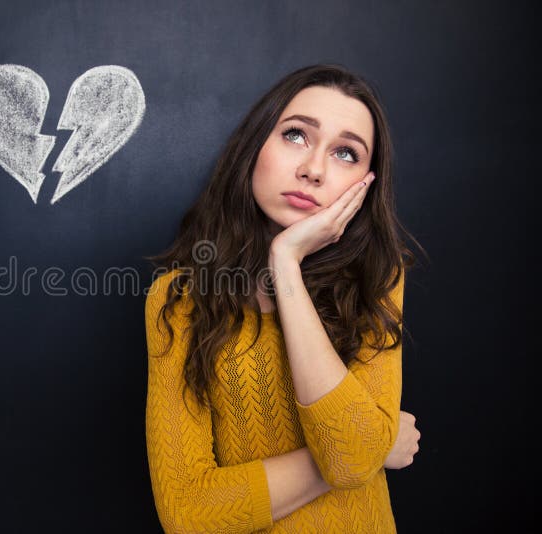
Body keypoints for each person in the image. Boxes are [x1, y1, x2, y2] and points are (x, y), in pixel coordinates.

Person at [143, 64, 425, 533]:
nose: (313, 169)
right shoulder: (179, 301)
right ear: (255, 145)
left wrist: (286, 267)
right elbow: (186, 512)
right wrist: (378, 442)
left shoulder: (377, 277)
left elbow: (353, 460)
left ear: (365, 183)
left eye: (346, 153)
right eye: (296, 135)